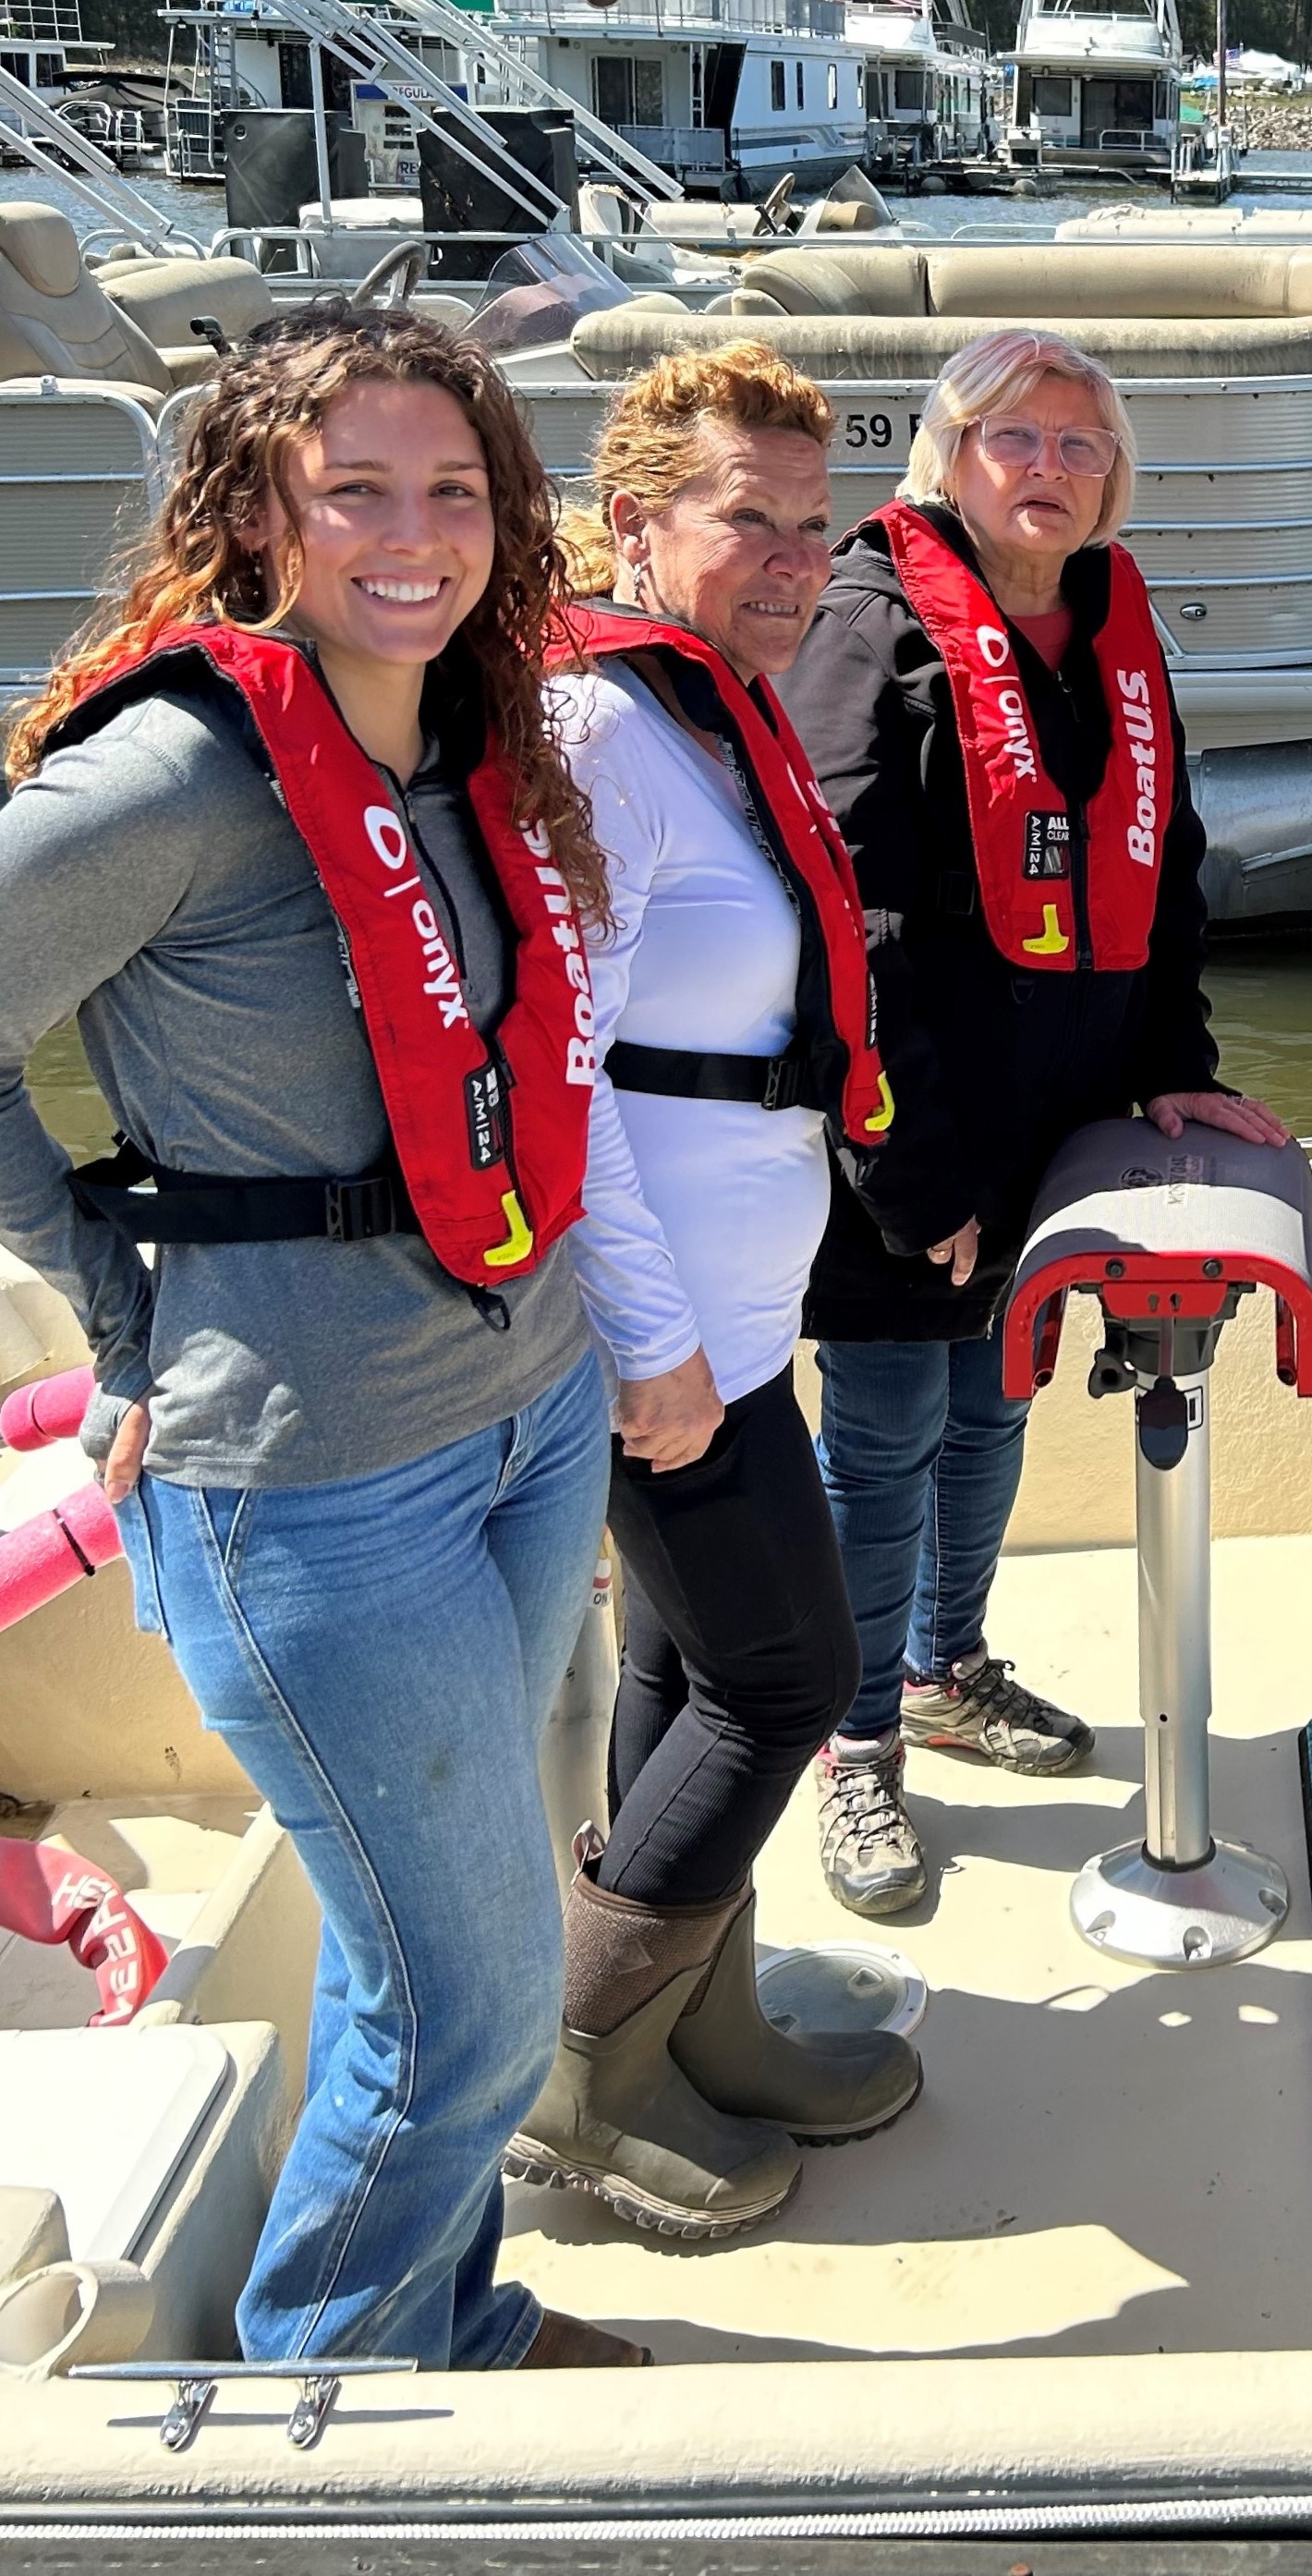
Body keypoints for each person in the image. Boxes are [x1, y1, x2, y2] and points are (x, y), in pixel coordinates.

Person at [0, 303, 639, 2371]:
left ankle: (446, 2326)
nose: (414, 533)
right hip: (311, 1480)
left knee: (444, 1953)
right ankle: (340, 2415)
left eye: (453, 488)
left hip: (524, 1409)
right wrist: (117, 1301)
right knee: (470, 1998)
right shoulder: (179, 770)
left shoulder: (465, 736)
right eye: (354, 487)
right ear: (255, 510)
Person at [784, 330, 1287, 1916]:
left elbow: (1166, 859)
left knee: (990, 1413)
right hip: (905, 1140)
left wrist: (1175, 1063)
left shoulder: (1107, 626)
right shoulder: (873, 630)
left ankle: (944, 1664)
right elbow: (843, 918)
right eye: (1016, 438)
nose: (1051, 469)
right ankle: (855, 1749)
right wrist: (908, 1171)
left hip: (1050, 1129)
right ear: (950, 456)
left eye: (1082, 444)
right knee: (881, 1439)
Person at [514, 340, 921, 2240]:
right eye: (740, 518)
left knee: (690, 1673)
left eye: (812, 525)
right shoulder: (600, 734)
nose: (785, 558)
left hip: (737, 1317)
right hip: (663, 1331)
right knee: (790, 1680)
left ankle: (712, 2022)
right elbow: (550, 1066)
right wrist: (647, 1339)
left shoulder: (703, 719)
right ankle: (584, 2084)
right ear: (632, 526)